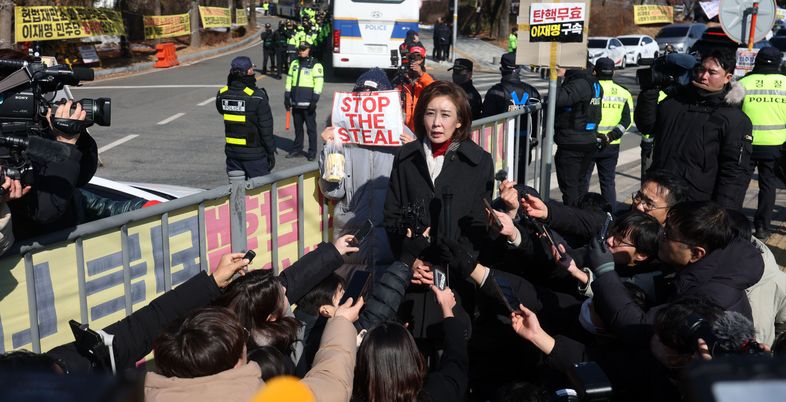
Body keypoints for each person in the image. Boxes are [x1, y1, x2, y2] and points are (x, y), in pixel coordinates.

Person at [383, 81, 493, 343]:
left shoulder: (479, 162)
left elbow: (478, 226)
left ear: (460, 121)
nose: (436, 123)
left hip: (457, 280)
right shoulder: (406, 157)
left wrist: (448, 268)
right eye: (430, 113)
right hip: (412, 278)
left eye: (445, 115)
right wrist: (411, 262)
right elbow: (391, 217)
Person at [318, 68, 414, 277]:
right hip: (350, 232)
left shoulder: (403, 135)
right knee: (347, 301)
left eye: (374, 97)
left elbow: (417, 188)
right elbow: (333, 192)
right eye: (360, 96)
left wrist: (415, 151)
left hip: (391, 234)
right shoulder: (340, 136)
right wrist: (328, 149)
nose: (366, 103)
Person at [635, 48, 753, 209]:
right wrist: (649, 92)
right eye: (701, 70)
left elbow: (735, 174)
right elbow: (646, 125)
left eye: (712, 72)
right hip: (657, 196)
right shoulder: (674, 102)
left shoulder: (733, 119)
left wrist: (722, 214)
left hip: (696, 204)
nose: (704, 76)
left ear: (728, 78)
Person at [352, 285, 469, 401]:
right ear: (412, 357)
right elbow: (456, 361)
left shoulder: (345, 395)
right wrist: (447, 308)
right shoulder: (434, 393)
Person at [738, 47, 786, 239]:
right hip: (777, 145)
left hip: (746, 144)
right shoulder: (785, 83)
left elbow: (730, 113)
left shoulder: (743, 83)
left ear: (757, 61)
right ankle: (763, 227)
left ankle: (734, 224)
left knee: (739, 184)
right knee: (768, 186)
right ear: (778, 63)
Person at [580, 57, 633, 213]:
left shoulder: (588, 89)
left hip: (588, 142)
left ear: (595, 70)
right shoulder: (624, 92)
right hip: (610, 145)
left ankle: (581, 213)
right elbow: (627, 120)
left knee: (583, 181)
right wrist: (612, 135)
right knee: (608, 182)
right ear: (613, 72)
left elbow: (580, 116)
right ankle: (610, 217)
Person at [215, 56, 276, 178]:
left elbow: (222, 110)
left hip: (232, 155)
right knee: (260, 193)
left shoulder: (222, 94)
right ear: (249, 72)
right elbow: (266, 129)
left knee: (237, 192)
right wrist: (270, 152)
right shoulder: (257, 97)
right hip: (255, 156)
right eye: (252, 69)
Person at [553, 66, 603, 206]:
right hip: (587, 139)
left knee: (570, 189)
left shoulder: (578, 83)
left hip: (573, 142)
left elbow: (556, 100)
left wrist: (555, 79)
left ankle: (573, 221)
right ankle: (580, 215)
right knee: (580, 186)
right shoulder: (593, 82)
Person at [285, 42, 324, 161]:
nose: (301, 51)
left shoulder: (315, 64)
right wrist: (286, 95)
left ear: (309, 50)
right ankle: (297, 149)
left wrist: (315, 99)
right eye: (299, 49)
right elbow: (289, 79)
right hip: (296, 102)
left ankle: (312, 152)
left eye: (303, 49)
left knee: (311, 129)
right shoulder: (294, 63)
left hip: (308, 103)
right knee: (297, 128)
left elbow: (319, 82)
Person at [396, 45, 435, 132]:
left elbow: (433, 89)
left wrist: (421, 74)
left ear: (422, 60)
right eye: (411, 57)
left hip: (421, 125)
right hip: (405, 126)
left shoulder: (428, 78)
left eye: (418, 57)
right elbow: (393, 94)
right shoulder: (403, 77)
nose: (414, 60)